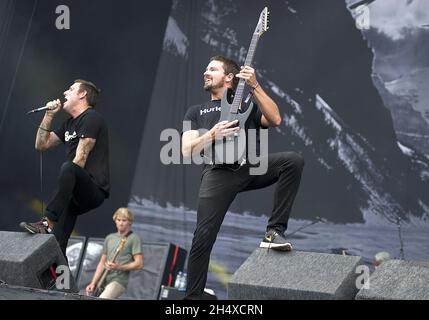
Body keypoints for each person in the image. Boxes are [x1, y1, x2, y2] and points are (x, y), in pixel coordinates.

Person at [181, 56, 304, 299]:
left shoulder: (247, 103)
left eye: (212, 69)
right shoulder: (196, 111)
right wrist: (212, 135)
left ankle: (274, 232)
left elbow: (276, 120)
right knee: (203, 237)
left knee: (293, 161)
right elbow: (186, 150)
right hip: (217, 173)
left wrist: (255, 85)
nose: (205, 72)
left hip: (250, 166)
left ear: (229, 77)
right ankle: (192, 300)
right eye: (206, 68)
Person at [20, 79, 110, 258]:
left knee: (69, 167)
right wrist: (49, 115)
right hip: (74, 188)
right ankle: (64, 284)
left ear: (82, 94)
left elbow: (80, 159)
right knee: (58, 244)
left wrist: (62, 198)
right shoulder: (69, 124)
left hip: (93, 188)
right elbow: (41, 144)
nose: (64, 93)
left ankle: (47, 222)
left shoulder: (92, 118)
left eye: (70, 90)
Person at [85, 208, 143, 299]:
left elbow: (139, 263)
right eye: (118, 220)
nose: (121, 223)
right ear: (115, 220)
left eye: (124, 220)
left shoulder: (134, 238)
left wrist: (119, 267)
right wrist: (93, 283)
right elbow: (102, 263)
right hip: (103, 280)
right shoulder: (109, 238)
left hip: (118, 281)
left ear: (130, 222)